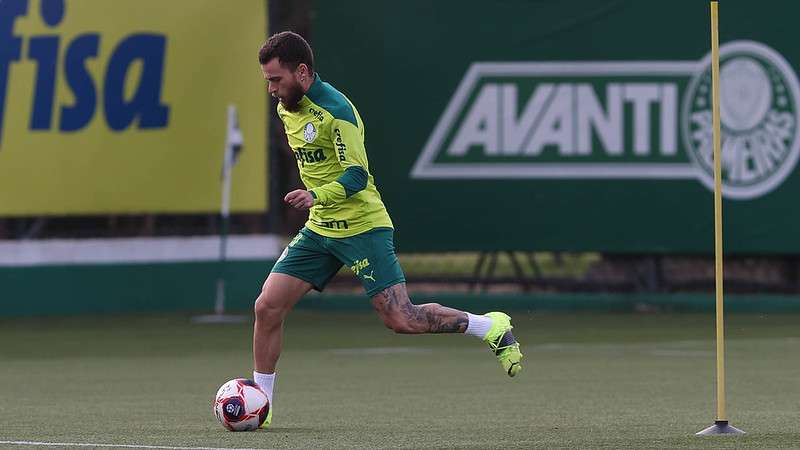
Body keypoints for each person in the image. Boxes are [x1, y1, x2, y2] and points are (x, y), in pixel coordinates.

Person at [253, 31, 523, 428]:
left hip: (364, 226)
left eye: (276, 79)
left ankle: (490, 326)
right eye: (268, 81)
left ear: (303, 71)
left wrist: (316, 195)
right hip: (321, 229)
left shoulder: (337, 111)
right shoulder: (287, 108)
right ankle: (262, 404)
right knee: (266, 307)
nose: (272, 89)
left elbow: (357, 176)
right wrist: (318, 205)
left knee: (402, 319)